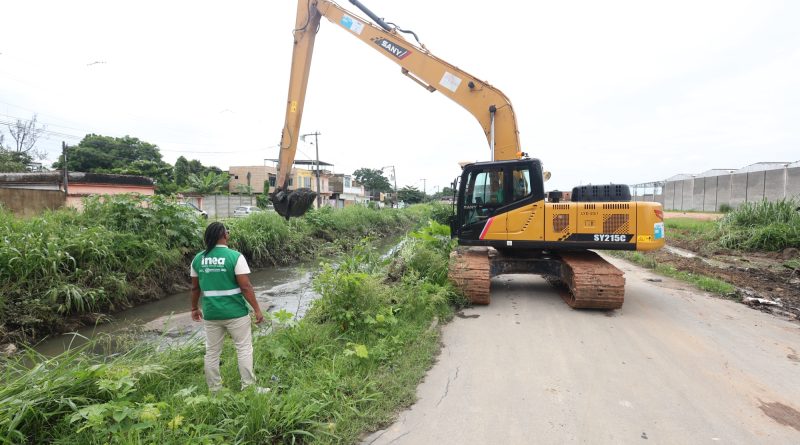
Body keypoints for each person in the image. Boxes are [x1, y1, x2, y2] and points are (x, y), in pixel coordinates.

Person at [190, 222, 268, 393]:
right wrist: (257, 309)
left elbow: (195, 288)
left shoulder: (198, 259)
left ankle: (215, 390)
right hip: (236, 313)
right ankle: (248, 387)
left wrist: (194, 308)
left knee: (211, 352)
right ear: (224, 235)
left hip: (211, 313)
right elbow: (246, 287)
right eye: (227, 231)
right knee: (244, 349)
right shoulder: (235, 257)